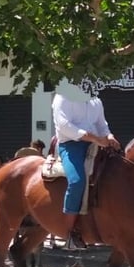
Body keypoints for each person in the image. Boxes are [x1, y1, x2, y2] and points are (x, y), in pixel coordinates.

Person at [52, 82, 120, 250]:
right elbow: (64, 125)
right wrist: (94, 138)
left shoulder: (95, 100)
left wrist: (109, 136)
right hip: (70, 145)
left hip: (95, 144)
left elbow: (102, 125)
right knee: (76, 181)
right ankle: (68, 234)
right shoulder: (62, 97)